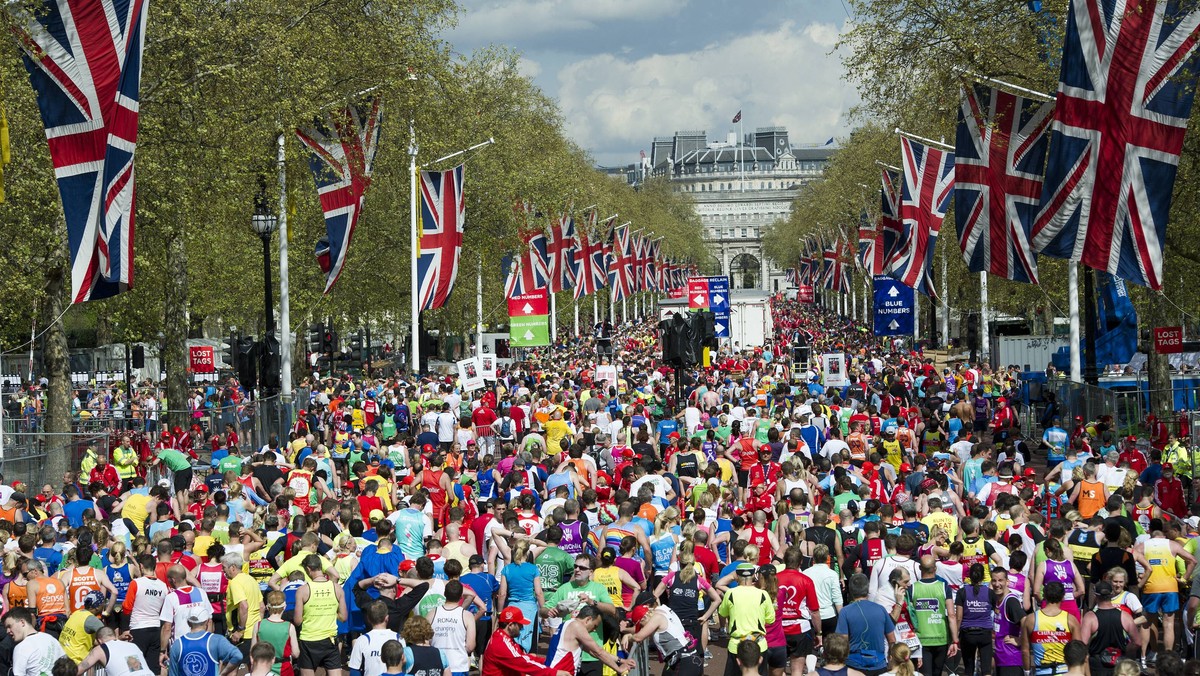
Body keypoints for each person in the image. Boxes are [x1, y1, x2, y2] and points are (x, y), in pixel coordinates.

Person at [293, 554, 348, 676]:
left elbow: (297, 620)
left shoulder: (302, 590)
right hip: (329, 640)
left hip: (308, 640)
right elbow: (344, 617)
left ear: (308, 569)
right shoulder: (337, 588)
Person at [718, 563, 775, 676]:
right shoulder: (763, 594)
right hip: (758, 644)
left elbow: (722, 613)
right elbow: (770, 619)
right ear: (753, 575)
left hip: (736, 645)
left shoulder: (730, 593)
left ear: (736, 576)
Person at [480, 606, 570, 676]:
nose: (522, 628)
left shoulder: (501, 636)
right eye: (519, 625)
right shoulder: (501, 643)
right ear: (510, 625)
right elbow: (524, 663)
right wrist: (554, 673)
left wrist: (546, 661)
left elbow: (523, 657)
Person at [835, 573, 895, 676]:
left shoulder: (845, 612)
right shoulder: (880, 609)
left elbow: (842, 642)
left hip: (854, 665)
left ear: (851, 591)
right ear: (867, 590)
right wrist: (890, 661)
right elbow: (892, 640)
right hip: (879, 664)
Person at [548, 604, 633, 675]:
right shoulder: (577, 626)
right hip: (558, 672)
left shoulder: (567, 624)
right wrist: (618, 669)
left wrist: (621, 660)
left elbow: (593, 652)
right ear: (588, 619)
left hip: (556, 671)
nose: (594, 629)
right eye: (595, 625)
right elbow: (599, 652)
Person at [909, 555, 956, 676]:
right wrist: (955, 640)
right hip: (941, 638)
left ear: (920, 568)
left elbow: (909, 615)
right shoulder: (944, 587)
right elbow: (951, 615)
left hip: (921, 640)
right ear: (935, 568)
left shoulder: (912, 589)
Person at [1078, 580, 1138, 676]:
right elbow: (1137, 642)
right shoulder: (1124, 616)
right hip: (1119, 665)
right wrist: (1126, 651)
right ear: (1112, 594)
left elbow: (1083, 644)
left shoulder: (1090, 617)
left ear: (1095, 595)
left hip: (1097, 666)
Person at [166, 605, 243, 676]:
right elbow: (238, 656)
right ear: (207, 622)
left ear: (188, 623)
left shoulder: (177, 644)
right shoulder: (215, 640)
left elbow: (173, 674)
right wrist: (223, 673)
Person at [1022, 581, 1079, 676]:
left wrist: (1027, 672)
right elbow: (1078, 651)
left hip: (1041, 672)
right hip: (1065, 671)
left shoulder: (1031, 619)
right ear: (1063, 597)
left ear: (1044, 596)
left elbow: (1025, 650)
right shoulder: (1071, 620)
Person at [427, 581, 474, 676]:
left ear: (444, 594)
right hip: (458, 665)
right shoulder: (467, 616)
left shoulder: (432, 613)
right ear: (461, 596)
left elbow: (426, 641)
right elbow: (470, 646)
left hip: (436, 665)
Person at [4, 607, 67, 676]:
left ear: (22, 622)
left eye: (9, 626)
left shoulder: (21, 648)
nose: (7, 631)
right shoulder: (49, 638)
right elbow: (66, 665)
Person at [74, 626, 156, 676]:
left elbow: (80, 669)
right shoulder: (133, 646)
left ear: (99, 641)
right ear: (115, 636)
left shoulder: (101, 648)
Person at [348, 601, 399, 676]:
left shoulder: (362, 640)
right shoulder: (398, 638)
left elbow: (354, 670)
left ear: (368, 619)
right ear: (387, 618)